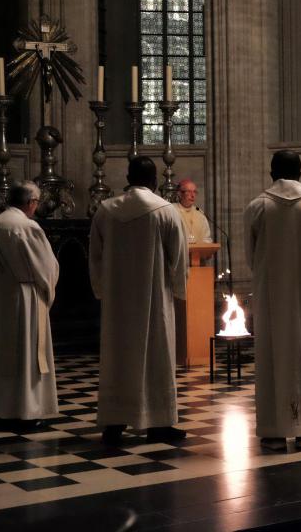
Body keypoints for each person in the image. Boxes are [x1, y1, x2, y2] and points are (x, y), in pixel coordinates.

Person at [90, 156, 189, 444]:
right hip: (154, 298)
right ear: (154, 180)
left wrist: (101, 289)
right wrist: (178, 289)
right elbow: (178, 257)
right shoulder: (165, 211)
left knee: (118, 358)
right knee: (157, 356)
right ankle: (158, 423)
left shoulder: (105, 211)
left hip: (118, 302)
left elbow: (94, 256)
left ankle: (114, 421)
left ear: (128, 177)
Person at [245, 150, 301, 451]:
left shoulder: (258, 207)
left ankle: (274, 432)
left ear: (271, 174)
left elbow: (251, 257)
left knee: (271, 358)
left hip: (271, 299)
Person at [0, 181, 59, 429]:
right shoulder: (26, 226)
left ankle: (1, 409)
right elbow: (46, 267)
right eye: (36, 202)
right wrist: (49, 287)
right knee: (26, 353)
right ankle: (24, 412)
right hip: (26, 298)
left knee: (0, 353)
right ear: (31, 202)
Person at [175, 179, 213, 244]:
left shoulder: (199, 212)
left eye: (194, 192)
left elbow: (207, 238)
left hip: (198, 253)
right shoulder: (172, 210)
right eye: (189, 192)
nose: (192, 195)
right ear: (179, 194)